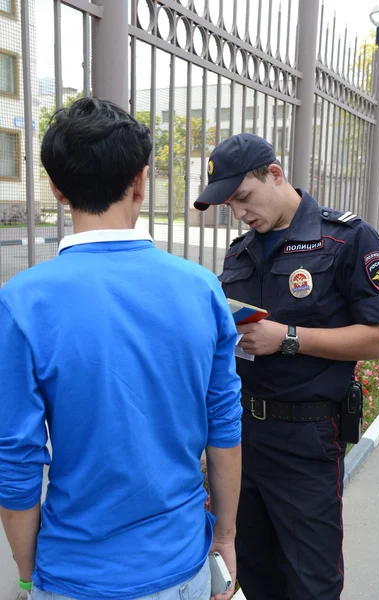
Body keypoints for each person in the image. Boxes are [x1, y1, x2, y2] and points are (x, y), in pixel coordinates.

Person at [0, 98, 242, 600]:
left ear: (57, 189)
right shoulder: (201, 288)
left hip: (77, 573)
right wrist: (224, 538)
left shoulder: (23, 302)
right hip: (184, 564)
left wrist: (27, 572)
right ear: (140, 181)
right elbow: (223, 427)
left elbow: (17, 458)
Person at [194, 133, 379, 600]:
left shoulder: (346, 238)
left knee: (311, 580)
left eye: (242, 197)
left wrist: (287, 337)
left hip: (306, 439)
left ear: (275, 174)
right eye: (229, 205)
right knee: (257, 571)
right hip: (243, 439)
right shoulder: (239, 249)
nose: (240, 213)